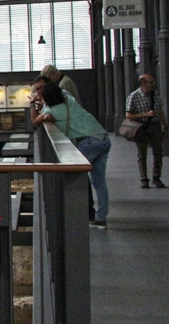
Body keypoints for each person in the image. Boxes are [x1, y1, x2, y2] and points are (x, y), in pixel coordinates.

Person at [33, 81, 111, 227]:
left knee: (73, 174)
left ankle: (76, 218)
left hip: (88, 142)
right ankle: (101, 217)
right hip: (103, 138)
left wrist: (34, 105)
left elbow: (35, 121)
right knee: (99, 182)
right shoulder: (69, 99)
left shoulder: (52, 111)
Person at [125, 74, 165, 188]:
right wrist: (145, 114)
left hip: (155, 126)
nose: (153, 84)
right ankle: (144, 178)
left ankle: (156, 177)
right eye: (150, 82)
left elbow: (160, 111)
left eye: (153, 82)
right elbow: (128, 115)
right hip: (141, 127)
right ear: (143, 83)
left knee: (158, 153)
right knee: (142, 154)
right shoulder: (134, 96)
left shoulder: (155, 94)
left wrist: (165, 126)